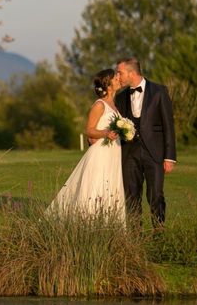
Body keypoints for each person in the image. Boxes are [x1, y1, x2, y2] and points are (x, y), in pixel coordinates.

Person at [47, 69, 125, 222]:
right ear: (108, 85)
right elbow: (89, 130)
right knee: (97, 185)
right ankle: (88, 223)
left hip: (114, 153)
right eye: (115, 78)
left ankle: (109, 223)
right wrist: (105, 133)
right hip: (101, 153)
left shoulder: (115, 105)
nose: (118, 79)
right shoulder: (99, 105)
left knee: (111, 186)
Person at [114, 57, 176, 227]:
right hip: (129, 154)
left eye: (120, 73)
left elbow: (168, 125)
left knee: (155, 195)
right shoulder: (120, 97)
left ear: (132, 72)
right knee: (131, 196)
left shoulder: (159, 92)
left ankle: (159, 233)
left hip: (154, 153)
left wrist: (169, 157)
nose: (117, 76)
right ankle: (136, 239)